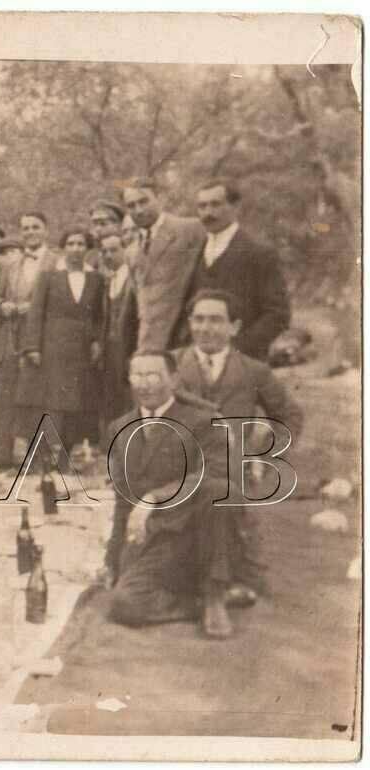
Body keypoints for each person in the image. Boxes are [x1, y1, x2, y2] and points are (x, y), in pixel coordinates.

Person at [174, 288, 304, 603]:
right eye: (199, 319)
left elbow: (290, 415)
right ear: (190, 322)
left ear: (234, 327)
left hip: (231, 473)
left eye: (216, 320)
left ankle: (220, 586)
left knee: (242, 560)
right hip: (175, 471)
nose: (206, 328)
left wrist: (264, 455)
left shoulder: (253, 370)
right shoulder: (170, 364)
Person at [105, 351, 238, 639]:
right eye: (137, 375)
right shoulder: (120, 428)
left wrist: (155, 497)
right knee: (122, 604)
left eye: (153, 375)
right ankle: (194, 602)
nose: (145, 384)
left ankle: (215, 593)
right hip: (154, 540)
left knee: (218, 490)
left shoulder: (203, 421)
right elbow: (121, 502)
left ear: (174, 378)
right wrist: (112, 560)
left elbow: (214, 476)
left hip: (199, 535)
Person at [177, 179, 291, 360]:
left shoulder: (259, 252)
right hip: (196, 361)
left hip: (244, 362)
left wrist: (238, 349)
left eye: (215, 205)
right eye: (202, 206)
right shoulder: (193, 251)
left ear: (235, 207)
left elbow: (278, 315)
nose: (208, 213)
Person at [16, 226, 105, 450]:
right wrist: (33, 346)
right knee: (51, 398)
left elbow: (98, 315)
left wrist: (96, 341)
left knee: (76, 398)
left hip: (81, 347)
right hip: (52, 345)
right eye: (71, 244)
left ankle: (69, 449)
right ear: (63, 248)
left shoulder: (96, 279)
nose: (75, 249)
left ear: (88, 249)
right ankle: (47, 450)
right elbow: (36, 312)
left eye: (80, 244)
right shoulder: (49, 276)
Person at [0, 216, 53, 466]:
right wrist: (3, 306)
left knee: (39, 398)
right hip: (11, 341)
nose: (30, 232)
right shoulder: (11, 265)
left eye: (35, 227)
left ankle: (42, 458)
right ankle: (5, 458)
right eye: (25, 228)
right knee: (5, 397)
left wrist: (35, 308)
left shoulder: (56, 262)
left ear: (46, 231)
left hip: (42, 341)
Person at [122, 177, 206, 352]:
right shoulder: (131, 251)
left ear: (159, 198)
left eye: (144, 201)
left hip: (186, 341)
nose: (138, 210)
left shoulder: (191, 230)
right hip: (149, 345)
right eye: (131, 206)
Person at [100, 232, 138, 426]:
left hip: (128, 347)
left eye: (113, 250)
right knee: (111, 397)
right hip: (109, 348)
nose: (108, 255)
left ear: (124, 250)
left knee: (129, 398)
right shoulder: (107, 281)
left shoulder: (134, 279)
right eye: (104, 251)